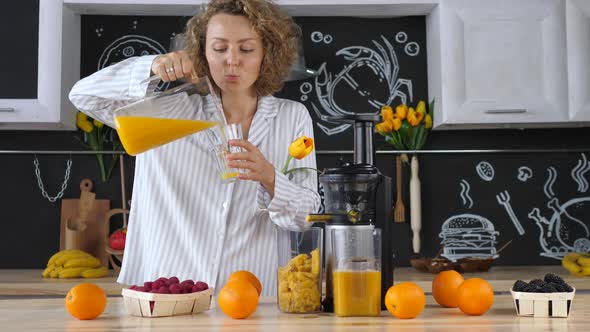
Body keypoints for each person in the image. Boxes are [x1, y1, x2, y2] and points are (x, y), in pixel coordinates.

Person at [69, 0, 320, 296]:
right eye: (219, 48)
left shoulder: (292, 117)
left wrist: (269, 177)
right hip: (165, 294)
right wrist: (150, 67)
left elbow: (307, 216)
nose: (232, 60)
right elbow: (83, 95)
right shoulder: (169, 109)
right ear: (201, 53)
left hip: (252, 297)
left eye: (247, 49)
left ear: (268, 53)